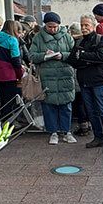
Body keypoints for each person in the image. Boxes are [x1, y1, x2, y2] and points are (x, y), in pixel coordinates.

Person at [68, 15, 103, 153]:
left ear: (93, 26)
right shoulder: (79, 41)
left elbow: (101, 57)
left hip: (100, 82)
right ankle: (98, 137)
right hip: (84, 82)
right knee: (91, 112)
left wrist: (82, 56)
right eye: (82, 25)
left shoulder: (102, 39)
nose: (84, 28)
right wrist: (87, 58)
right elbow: (72, 60)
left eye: (86, 25)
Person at [29, 12, 77, 145]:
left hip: (65, 75)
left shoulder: (67, 37)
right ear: (45, 25)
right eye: (50, 26)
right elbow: (31, 56)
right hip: (47, 76)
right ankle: (53, 132)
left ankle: (67, 132)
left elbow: (74, 55)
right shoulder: (38, 38)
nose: (53, 29)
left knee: (66, 104)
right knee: (49, 105)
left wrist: (62, 55)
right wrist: (44, 56)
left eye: (55, 26)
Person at [0, 19, 25, 113]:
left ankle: (4, 120)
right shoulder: (12, 40)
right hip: (9, 74)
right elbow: (15, 60)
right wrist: (20, 74)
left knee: (3, 99)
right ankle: (10, 122)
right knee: (11, 101)